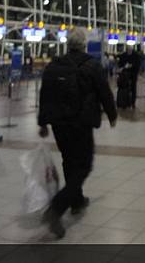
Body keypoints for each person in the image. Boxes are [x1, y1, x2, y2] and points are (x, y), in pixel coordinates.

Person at [38, 27, 117, 238]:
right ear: (83, 45)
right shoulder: (92, 65)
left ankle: (77, 201)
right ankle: (57, 207)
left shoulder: (54, 66)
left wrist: (42, 122)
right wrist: (112, 114)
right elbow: (104, 92)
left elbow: (45, 94)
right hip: (81, 122)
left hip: (59, 124)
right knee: (83, 165)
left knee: (68, 160)